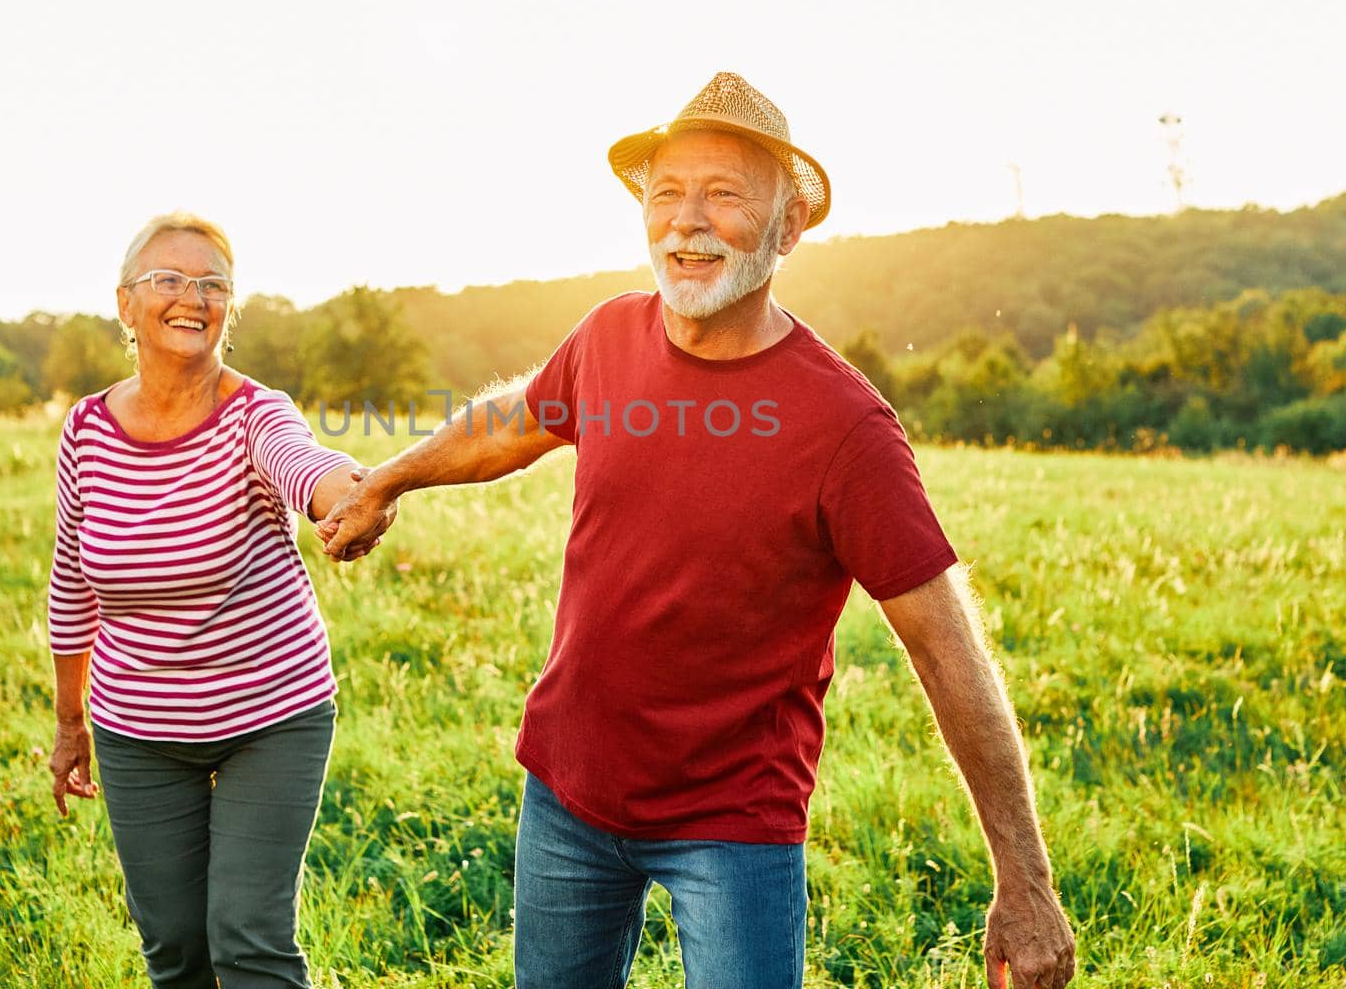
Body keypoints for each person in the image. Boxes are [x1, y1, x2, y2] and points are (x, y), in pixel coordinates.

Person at [319, 74, 1077, 988]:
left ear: (789, 227)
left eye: (724, 194)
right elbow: (517, 420)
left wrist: (1025, 882)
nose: (688, 221)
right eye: (668, 194)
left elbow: (946, 647)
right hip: (566, 792)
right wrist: (390, 479)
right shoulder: (607, 337)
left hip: (733, 828)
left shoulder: (845, 428)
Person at [44, 212, 393, 989]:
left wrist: (353, 495)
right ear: (125, 303)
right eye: (168, 279)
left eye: (213, 284)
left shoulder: (255, 412)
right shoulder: (87, 431)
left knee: (247, 940)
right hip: (139, 729)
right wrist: (72, 724)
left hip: (271, 716)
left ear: (229, 310)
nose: (191, 296)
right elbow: (72, 582)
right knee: (173, 948)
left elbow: (305, 464)